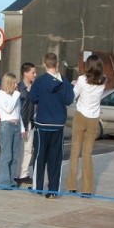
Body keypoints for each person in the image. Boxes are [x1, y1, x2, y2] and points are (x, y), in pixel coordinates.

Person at [29, 53, 74, 198]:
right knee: (55, 158)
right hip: (58, 124)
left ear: (44, 63)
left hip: (42, 123)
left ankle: (38, 187)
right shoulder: (64, 82)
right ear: (57, 64)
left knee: (40, 156)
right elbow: (69, 100)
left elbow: (33, 98)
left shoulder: (40, 81)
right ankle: (53, 190)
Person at [66, 54, 106, 197]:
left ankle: (71, 186)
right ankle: (87, 189)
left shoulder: (82, 80)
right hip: (94, 118)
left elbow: (73, 95)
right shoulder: (103, 80)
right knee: (87, 154)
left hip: (81, 115)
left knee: (75, 151)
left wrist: (73, 84)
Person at [0, 72, 24, 189]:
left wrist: (22, 128)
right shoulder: (0, 95)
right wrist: (16, 95)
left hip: (16, 125)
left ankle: (12, 181)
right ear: (9, 83)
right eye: (14, 83)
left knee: (15, 156)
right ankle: (3, 182)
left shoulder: (14, 96)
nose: (16, 85)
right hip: (7, 125)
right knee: (7, 155)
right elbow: (8, 109)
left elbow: (18, 113)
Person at [15, 62, 37, 185]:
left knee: (28, 149)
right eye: (33, 72)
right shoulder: (18, 87)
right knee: (19, 149)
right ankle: (16, 174)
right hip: (20, 123)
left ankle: (24, 174)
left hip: (31, 122)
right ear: (25, 73)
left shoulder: (34, 88)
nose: (35, 74)